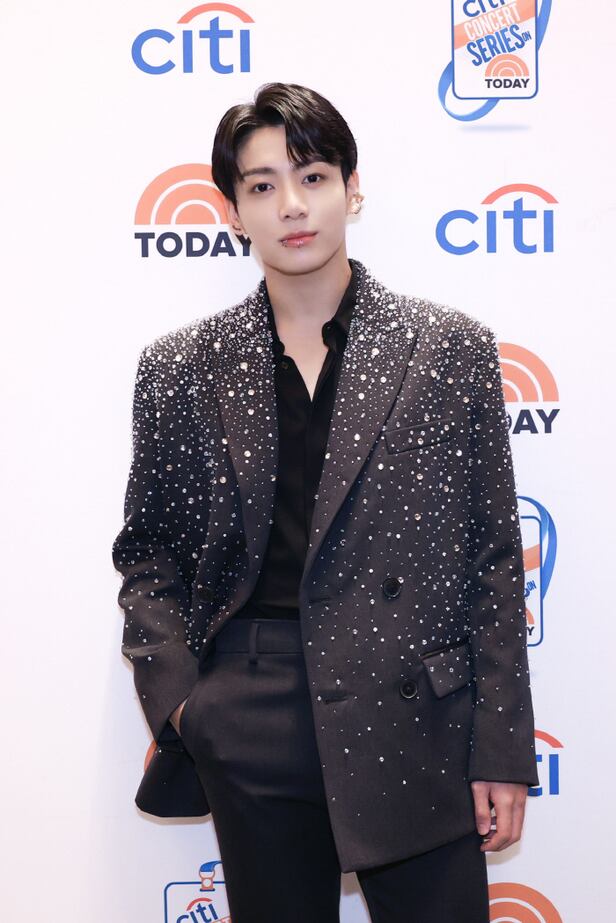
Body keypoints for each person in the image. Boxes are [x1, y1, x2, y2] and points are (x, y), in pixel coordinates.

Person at [112, 82, 539, 923]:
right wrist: (188, 705)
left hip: (416, 711)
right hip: (253, 709)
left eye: (312, 176)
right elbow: (147, 551)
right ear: (232, 211)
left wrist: (501, 746)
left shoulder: (449, 349)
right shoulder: (178, 368)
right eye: (262, 185)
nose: (292, 205)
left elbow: (492, 556)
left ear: (353, 187)